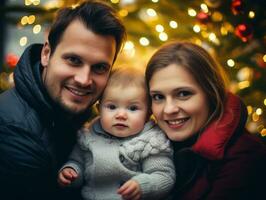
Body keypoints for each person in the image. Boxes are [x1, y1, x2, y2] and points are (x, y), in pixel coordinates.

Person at [0, 1, 126, 199]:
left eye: (100, 68)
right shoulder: (13, 131)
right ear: (47, 54)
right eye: (74, 60)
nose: (84, 80)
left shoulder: (79, 118)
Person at [145, 41, 266, 200]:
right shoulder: (148, 147)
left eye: (183, 94)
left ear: (211, 93)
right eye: (158, 97)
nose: (169, 109)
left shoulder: (245, 157)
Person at [58, 67, 176, 200]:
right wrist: (71, 172)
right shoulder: (88, 136)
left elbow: (164, 176)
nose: (121, 115)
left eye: (132, 108)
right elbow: (77, 162)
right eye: (112, 107)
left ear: (148, 114)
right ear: (99, 109)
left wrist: (142, 185)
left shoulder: (151, 141)